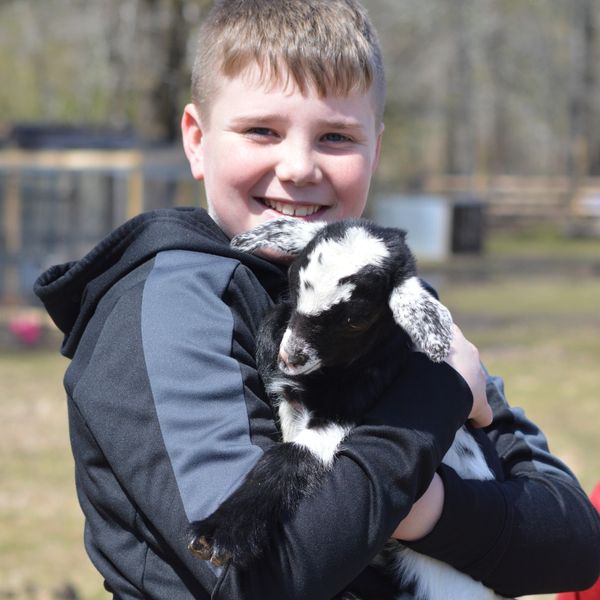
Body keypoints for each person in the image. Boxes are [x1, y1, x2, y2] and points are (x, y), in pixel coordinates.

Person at [34, 1, 600, 598]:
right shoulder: (169, 307)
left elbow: (579, 543)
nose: (299, 167)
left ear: (375, 149)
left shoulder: (391, 299)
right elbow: (259, 576)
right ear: (197, 140)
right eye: (261, 131)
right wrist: (437, 397)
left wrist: (427, 510)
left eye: (336, 136)